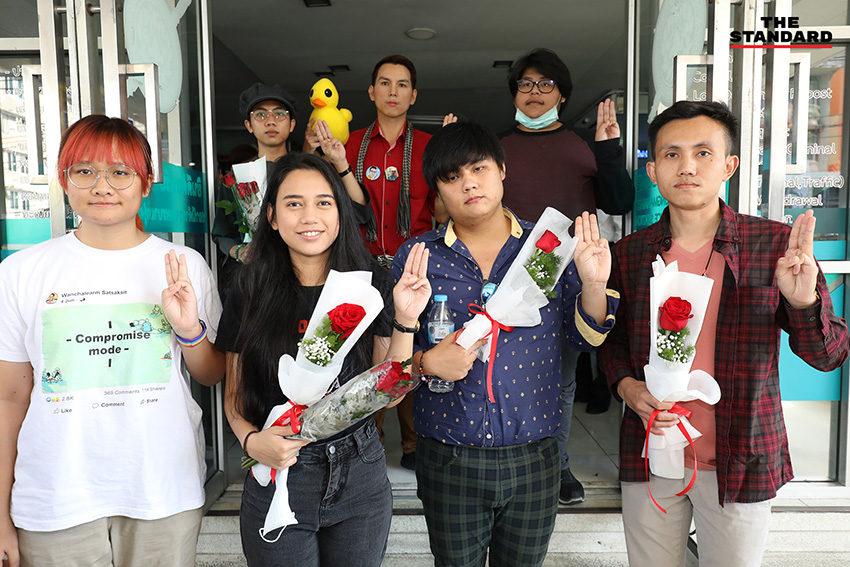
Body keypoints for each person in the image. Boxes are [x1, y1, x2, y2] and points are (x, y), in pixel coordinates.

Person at [599, 100, 848, 567]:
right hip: (652, 453)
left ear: (729, 166)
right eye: (671, 154)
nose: (687, 166)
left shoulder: (773, 245)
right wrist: (627, 387)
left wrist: (803, 302)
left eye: (703, 153)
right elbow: (614, 342)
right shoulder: (630, 253)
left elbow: (828, 355)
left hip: (740, 456)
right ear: (653, 171)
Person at [390, 121, 619, 567]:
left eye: (478, 168)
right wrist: (426, 362)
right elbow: (391, 372)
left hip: (536, 455)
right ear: (437, 190)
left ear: (502, 170)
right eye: (452, 176)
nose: (468, 183)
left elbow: (585, 338)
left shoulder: (546, 248)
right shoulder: (418, 257)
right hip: (448, 457)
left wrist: (593, 286)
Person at [0, 115, 225, 567]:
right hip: (55, 496)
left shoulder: (184, 264)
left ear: (146, 182)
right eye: (85, 171)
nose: (102, 186)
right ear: (64, 180)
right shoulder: (21, 272)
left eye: (120, 172)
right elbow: (10, 397)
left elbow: (212, 373)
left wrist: (188, 330)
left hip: (162, 489)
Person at [219, 153, 431, 567]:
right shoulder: (248, 288)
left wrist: (406, 320)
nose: (309, 216)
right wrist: (251, 442)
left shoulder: (371, 285)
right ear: (272, 217)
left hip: (359, 472)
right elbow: (233, 395)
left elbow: (388, 393)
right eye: (293, 203)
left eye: (323, 202)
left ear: (340, 213)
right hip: (278, 466)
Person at [499, 47, 634, 504]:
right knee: (502, 375)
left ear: (561, 95)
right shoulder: (497, 149)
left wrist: (609, 150)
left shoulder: (582, 145)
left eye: (546, 84)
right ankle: (508, 462)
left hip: (569, 281)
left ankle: (554, 468)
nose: (534, 92)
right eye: (525, 84)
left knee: (561, 381)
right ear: (514, 94)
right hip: (508, 280)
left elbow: (619, 200)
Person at [305, 54, 443, 471]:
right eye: (385, 83)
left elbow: (441, 211)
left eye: (402, 85)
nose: (393, 92)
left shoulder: (430, 146)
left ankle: (414, 443)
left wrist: (450, 157)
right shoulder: (346, 144)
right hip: (358, 265)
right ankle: (371, 440)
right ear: (371, 92)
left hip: (415, 264)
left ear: (413, 95)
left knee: (414, 350)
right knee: (364, 356)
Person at [212, 83, 300, 297]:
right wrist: (240, 252)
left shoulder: (305, 173)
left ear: (292, 124)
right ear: (248, 125)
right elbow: (222, 232)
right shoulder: (235, 179)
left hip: (298, 277)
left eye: (279, 114)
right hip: (251, 281)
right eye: (260, 115)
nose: (270, 121)